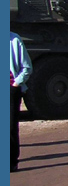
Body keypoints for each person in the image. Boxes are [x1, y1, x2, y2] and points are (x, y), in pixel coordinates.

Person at [10, 32, 32, 172]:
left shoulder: (14, 40)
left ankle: (11, 162)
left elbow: (27, 67)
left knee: (10, 126)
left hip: (10, 88)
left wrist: (16, 83)